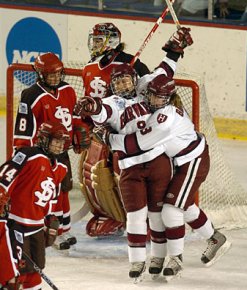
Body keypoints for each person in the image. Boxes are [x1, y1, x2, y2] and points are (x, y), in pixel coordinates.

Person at [75, 26, 193, 281]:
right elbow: (101, 111)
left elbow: (164, 70)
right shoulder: (111, 103)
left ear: (134, 80)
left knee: (161, 213)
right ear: (112, 85)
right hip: (130, 166)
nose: (123, 84)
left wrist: (174, 48)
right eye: (117, 81)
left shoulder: (144, 88)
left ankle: (173, 256)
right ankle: (138, 261)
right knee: (136, 216)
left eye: (126, 79)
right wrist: (91, 106)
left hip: (157, 161)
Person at [102, 74, 232, 278]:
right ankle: (215, 238)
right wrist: (171, 51)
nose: (154, 101)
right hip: (179, 160)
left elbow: (135, 145)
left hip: (192, 161)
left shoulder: (165, 119)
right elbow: (152, 74)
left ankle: (177, 259)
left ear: (168, 98)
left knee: (171, 211)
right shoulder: (155, 103)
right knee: (183, 204)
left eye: (160, 98)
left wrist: (107, 138)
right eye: (152, 96)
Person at [13, 52, 90, 250]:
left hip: (62, 150)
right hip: (44, 153)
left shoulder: (67, 90)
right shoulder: (31, 95)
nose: (56, 78)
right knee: (49, 193)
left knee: (64, 189)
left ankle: (63, 230)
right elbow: (24, 129)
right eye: (51, 75)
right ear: (40, 74)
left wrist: (79, 129)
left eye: (58, 74)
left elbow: (74, 116)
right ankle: (50, 232)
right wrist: (25, 156)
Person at [80, 22, 151, 238]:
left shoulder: (133, 64)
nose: (95, 44)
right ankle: (109, 214)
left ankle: (144, 218)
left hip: (126, 130)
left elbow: (147, 96)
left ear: (112, 41)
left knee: (128, 175)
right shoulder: (89, 67)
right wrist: (83, 126)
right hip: (99, 131)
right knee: (94, 174)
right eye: (94, 39)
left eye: (99, 39)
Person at [0, 121, 70, 289]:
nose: (60, 146)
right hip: (16, 225)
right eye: (56, 141)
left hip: (37, 227)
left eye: (62, 142)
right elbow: (5, 175)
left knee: (34, 273)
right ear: (45, 139)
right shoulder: (29, 154)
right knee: (13, 278)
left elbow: (52, 197)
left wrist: (51, 219)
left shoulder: (61, 168)